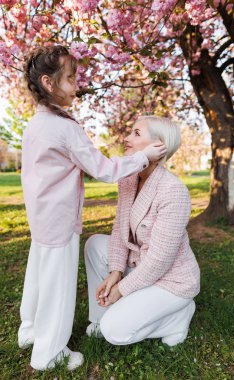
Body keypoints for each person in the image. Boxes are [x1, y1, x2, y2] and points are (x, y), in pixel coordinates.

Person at [18, 45, 167, 372]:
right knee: (58, 286)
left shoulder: (36, 124)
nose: (76, 85)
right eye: (70, 79)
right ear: (49, 83)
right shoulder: (65, 128)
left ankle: (29, 329)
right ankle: (50, 353)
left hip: (40, 217)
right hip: (58, 219)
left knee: (39, 276)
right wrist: (144, 157)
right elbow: (104, 169)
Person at [85, 116, 200, 347]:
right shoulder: (129, 178)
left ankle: (179, 315)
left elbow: (159, 261)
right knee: (95, 243)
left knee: (115, 332)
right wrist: (115, 271)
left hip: (171, 281)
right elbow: (120, 228)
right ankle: (100, 317)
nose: (126, 138)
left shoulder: (174, 191)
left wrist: (122, 289)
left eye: (136, 134)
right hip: (141, 264)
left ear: (159, 145)